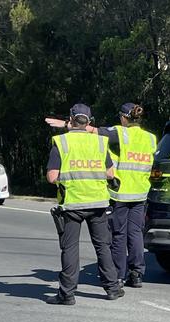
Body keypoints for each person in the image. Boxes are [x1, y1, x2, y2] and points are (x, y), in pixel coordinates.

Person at [47, 103, 156, 288]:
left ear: (123, 117)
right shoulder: (150, 138)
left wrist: (67, 125)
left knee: (119, 234)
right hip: (141, 192)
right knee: (136, 233)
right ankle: (137, 274)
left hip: (120, 192)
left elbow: (91, 130)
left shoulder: (119, 133)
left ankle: (119, 275)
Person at [45, 103, 124, 305]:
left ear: (70, 120)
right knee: (102, 247)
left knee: (70, 248)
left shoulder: (61, 142)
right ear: (89, 122)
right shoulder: (98, 142)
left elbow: (52, 177)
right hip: (97, 202)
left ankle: (67, 294)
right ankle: (112, 288)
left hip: (72, 204)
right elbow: (110, 173)